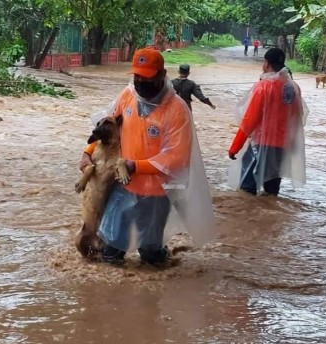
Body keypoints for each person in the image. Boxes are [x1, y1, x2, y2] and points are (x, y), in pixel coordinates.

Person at [78, 47, 215, 266]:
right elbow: (106, 129)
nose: (140, 82)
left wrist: (136, 166)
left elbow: (177, 157)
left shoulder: (176, 110)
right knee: (109, 251)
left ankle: (155, 279)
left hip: (156, 193)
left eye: (147, 77)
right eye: (137, 76)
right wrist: (87, 152)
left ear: (161, 75)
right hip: (122, 186)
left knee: (151, 255)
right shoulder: (128, 95)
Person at [228, 47, 308, 196]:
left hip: (260, 145)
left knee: (247, 191)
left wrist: (235, 147)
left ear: (266, 64)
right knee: (272, 191)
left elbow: (249, 120)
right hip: (282, 147)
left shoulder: (263, 86)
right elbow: (298, 116)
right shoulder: (293, 87)